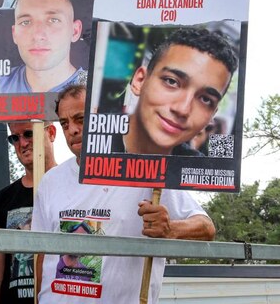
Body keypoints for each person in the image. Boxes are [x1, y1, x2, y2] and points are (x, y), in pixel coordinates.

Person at [32, 84, 216, 303]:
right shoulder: (51, 181)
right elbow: (42, 254)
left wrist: (170, 229)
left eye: (80, 119)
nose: (72, 129)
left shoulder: (143, 170)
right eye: (64, 123)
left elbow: (206, 227)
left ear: (104, 119)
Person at [118, 27, 238, 156]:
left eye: (205, 99)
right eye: (171, 81)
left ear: (212, 116)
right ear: (140, 80)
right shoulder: (95, 136)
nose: (183, 109)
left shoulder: (202, 170)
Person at [0, 121, 57, 303]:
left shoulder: (75, 189)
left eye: (29, 134)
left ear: (51, 133)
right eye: (15, 138)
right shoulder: (1, 201)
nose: (22, 143)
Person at [0, 0, 87, 93]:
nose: (38, 35)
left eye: (53, 20)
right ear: (14, 34)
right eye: (25, 22)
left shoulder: (96, 93)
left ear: (75, 31)